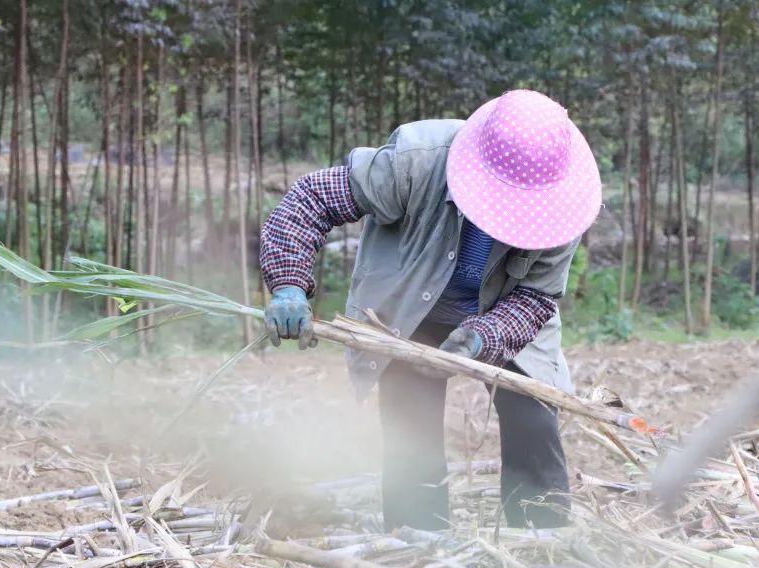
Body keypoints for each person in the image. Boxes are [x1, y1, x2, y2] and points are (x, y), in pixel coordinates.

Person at [258, 89, 602, 532]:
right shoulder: (416, 162)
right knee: (410, 427)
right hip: (408, 311)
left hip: (505, 313)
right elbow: (309, 201)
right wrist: (288, 284)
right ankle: (420, 543)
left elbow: (536, 297)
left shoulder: (561, 204)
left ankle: (541, 541)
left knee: (534, 417)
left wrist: (487, 335)